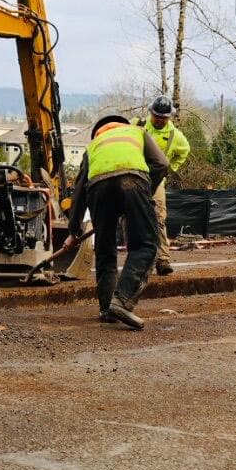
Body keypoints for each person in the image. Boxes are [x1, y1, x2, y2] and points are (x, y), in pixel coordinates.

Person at [59, 113, 169, 330]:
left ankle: (107, 308)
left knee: (105, 250)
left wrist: (73, 230)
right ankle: (123, 300)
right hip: (133, 181)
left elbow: (79, 192)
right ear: (122, 126)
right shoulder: (138, 132)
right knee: (146, 245)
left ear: (98, 132)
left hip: (98, 190)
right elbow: (161, 164)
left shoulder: (93, 147)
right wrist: (146, 192)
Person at [133, 95, 191, 275]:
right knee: (132, 218)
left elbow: (184, 152)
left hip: (156, 181)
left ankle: (162, 259)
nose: (158, 119)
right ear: (151, 112)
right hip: (134, 177)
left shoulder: (176, 137)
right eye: (156, 115)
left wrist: (169, 168)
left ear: (169, 117)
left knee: (158, 218)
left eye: (163, 117)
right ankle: (138, 260)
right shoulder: (138, 125)